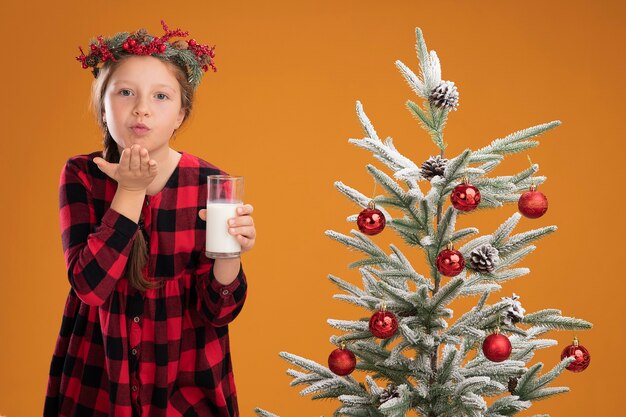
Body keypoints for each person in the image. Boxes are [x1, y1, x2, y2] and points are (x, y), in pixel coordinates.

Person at [43, 21, 255, 417]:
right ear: (103, 107)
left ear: (180, 114)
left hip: (187, 374)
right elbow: (89, 287)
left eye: (161, 96)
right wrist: (131, 189)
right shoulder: (81, 175)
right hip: (101, 373)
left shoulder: (212, 184)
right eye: (125, 93)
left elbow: (220, 312)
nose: (141, 108)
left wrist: (231, 255)